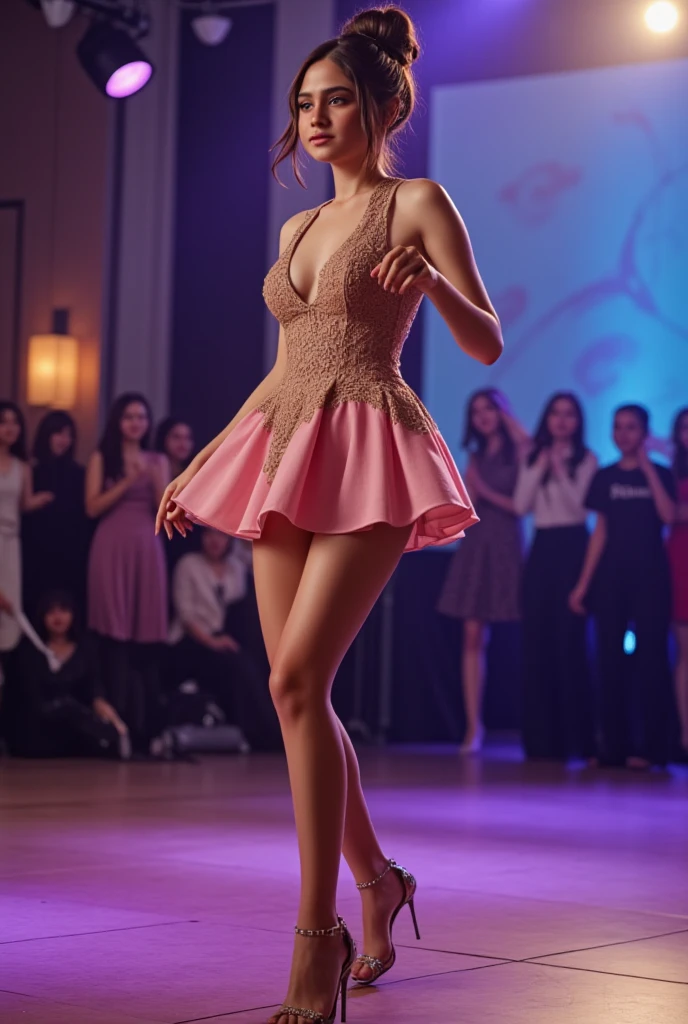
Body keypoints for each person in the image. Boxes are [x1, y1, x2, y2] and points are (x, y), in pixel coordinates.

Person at [157, 9, 502, 1021]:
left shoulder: (416, 201)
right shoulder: (297, 228)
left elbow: (484, 342)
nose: (315, 117)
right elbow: (281, 371)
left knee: (297, 677)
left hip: (373, 448)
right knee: (296, 694)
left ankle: (316, 937)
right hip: (284, 448)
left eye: (335, 98)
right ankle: (380, 881)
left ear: (382, 104)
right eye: (304, 103)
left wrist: (433, 282)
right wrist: (202, 460)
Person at [570, 405, 676, 768]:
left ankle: (650, 750)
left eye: (631, 428)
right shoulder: (604, 477)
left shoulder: (661, 473)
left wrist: (647, 466)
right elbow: (599, 532)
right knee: (609, 663)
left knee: (652, 662)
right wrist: (583, 585)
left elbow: (668, 516)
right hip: (611, 579)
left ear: (644, 433)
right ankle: (612, 748)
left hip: (651, 578)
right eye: (617, 427)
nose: (623, 434)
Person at [437, 388, 527, 753]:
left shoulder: (518, 450)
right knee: (472, 636)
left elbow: (520, 505)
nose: (484, 416)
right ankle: (475, 726)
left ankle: (529, 724)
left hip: (506, 545)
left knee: (518, 636)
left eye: (490, 409)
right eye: (477, 411)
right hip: (475, 546)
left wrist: (483, 490)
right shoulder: (473, 456)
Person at [515, 392, 598, 761]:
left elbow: (580, 509)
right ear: (546, 419)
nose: (562, 421)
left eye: (569, 415)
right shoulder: (534, 456)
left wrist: (561, 470)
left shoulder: (587, 459)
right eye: (555, 414)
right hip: (543, 548)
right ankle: (540, 742)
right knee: (538, 645)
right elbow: (520, 506)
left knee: (571, 645)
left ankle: (575, 740)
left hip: (573, 546)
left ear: (578, 422)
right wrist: (539, 466)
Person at [86, 393, 169, 753]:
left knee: (145, 635)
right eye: (129, 416)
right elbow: (91, 507)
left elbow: (163, 508)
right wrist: (125, 481)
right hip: (111, 544)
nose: (136, 422)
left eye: (141, 416)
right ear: (117, 421)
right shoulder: (103, 457)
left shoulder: (158, 459)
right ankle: (115, 728)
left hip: (146, 545)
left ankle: (147, 730)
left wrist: (152, 480)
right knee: (113, 636)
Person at [169, 528, 280, 750]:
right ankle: (264, 735)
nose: (214, 541)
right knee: (239, 666)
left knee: (253, 660)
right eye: (208, 535)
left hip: (224, 639)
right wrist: (212, 642)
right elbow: (186, 615)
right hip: (191, 642)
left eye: (220, 535)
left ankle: (269, 730)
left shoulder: (235, 568)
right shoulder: (188, 565)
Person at [6, 590, 129, 758]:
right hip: (39, 728)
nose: (57, 616)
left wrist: (102, 705)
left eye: (63, 610)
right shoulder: (31, 649)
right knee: (66, 708)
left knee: (77, 713)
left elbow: (93, 685)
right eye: (50, 611)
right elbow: (30, 695)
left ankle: (113, 737)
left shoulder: (85, 648)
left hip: (74, 730)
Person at [22, 410, 89, 616]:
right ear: (46, 435)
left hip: (70, 550)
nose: (64, 440)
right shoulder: (30, 471)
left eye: (69, 435)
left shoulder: (79, 473)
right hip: (35, 550)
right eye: (58, 433)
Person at [0, 401, 54, 661]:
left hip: (10, 542)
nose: (10, 428)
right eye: (4, 422)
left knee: (11, 608)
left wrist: (41, 500)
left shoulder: (22, 466)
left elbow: (23, 503)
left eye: (15, 422)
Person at [668, 407, 688, 756]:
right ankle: (685, 736)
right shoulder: (670, 470)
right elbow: (670, 514)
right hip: (680, 556)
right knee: (685, 652)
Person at [155, 417, 196, 579]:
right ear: (163, 438)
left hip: (188, 540)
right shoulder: (154, 468)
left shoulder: (195, 473)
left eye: (187, 438)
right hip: (159, 538)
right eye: (176, 437)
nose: (183, 443)